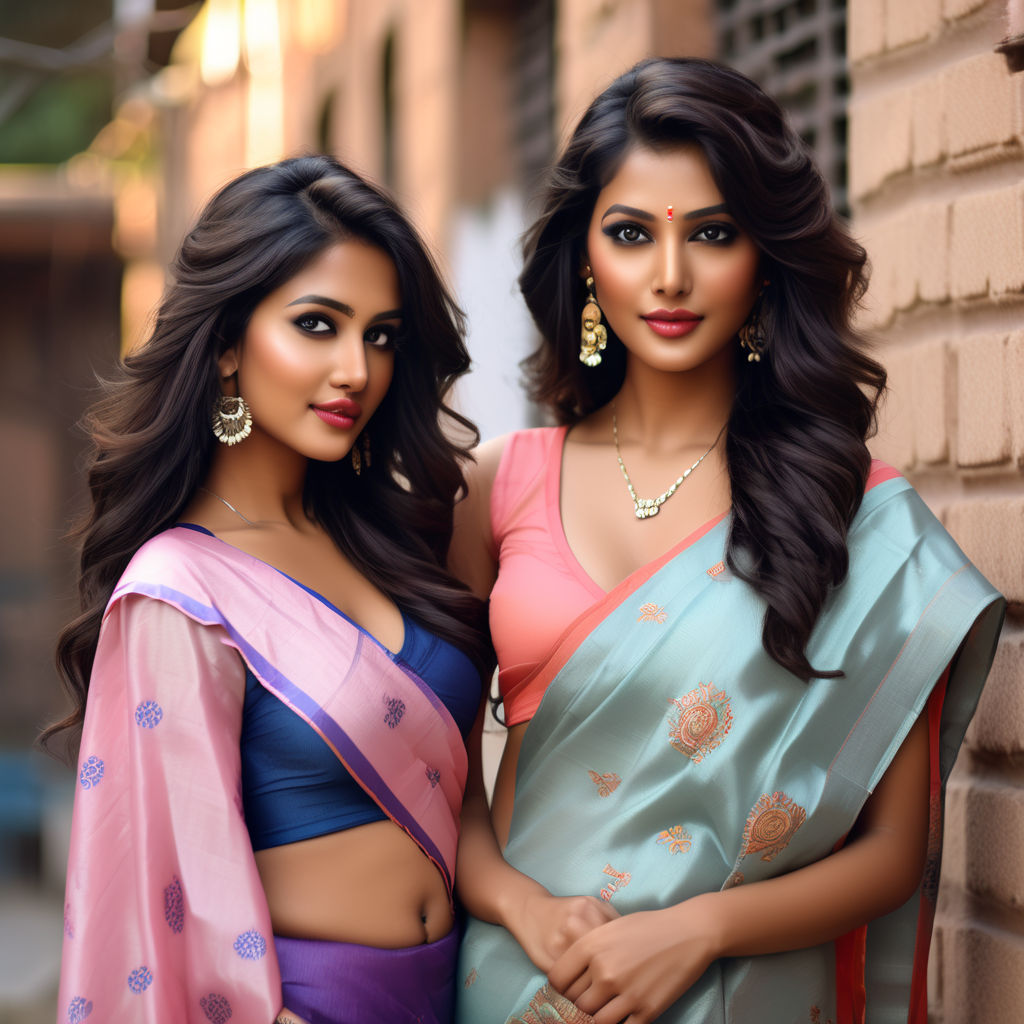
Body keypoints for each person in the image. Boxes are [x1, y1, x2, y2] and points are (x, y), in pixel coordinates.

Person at [451, 58, 1004, 1024]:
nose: (670, 276)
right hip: (524, 987)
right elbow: (434, 777)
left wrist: (697, 930)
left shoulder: (851, 515)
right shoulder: (498, 483)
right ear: (585, 258)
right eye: (630, 235)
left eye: (712, 233)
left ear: (765, 256)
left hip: (738, 990)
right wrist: (523, 909)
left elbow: (891, 852)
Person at [45, 155, 490, 1024]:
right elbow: (165, 899)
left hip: (457, 991)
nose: (357, 369)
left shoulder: (395, 543)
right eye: (317, 325)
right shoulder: (179, 589)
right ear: (223, 351)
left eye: (382, 335)